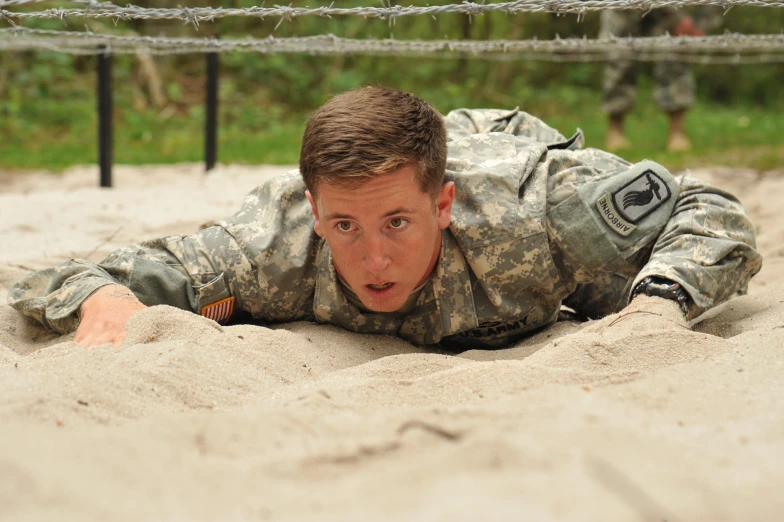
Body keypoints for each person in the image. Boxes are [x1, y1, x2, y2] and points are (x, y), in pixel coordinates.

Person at [8, 87, 761, 350]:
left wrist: (662, 304)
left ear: (442, 204)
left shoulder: (544, 205)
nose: (371, 259)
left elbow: (711, 208)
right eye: (344, 227)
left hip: (496, 153)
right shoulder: (274, 244)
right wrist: (105, 297)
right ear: (313, 210)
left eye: (397, 224)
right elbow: (73, 275)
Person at [600, 8, 723, 152]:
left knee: (675, 57)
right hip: (625, 7)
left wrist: (699, 24)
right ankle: (615, 129)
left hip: (672, 7)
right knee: (620, 56)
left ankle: (677, 132)